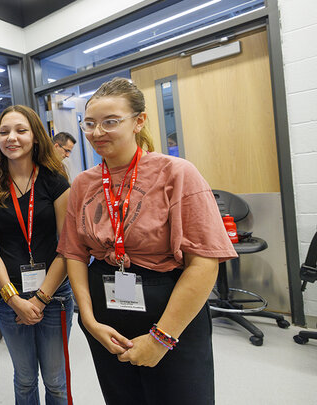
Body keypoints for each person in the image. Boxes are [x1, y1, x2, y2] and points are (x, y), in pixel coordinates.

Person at [57, 78, 237, 405]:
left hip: (170, 311)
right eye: (90, 124)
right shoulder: (83, 183)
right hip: (105, 312)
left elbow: (205, 262)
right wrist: (88, 320)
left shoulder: (177, 174)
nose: (97, 132)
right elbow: (74, 253)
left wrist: (160, 340)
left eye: (110, 122)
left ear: (139, 121)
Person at [0, 105, 73, 404]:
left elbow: (67, 246)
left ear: (35, 136)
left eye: (20, 130)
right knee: (25, 380)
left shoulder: (55, 181)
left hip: (54, 295)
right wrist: (13, 299)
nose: (11, 138)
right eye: (4, 132)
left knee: (56, 382)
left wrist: (41, 298)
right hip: (9, 298)